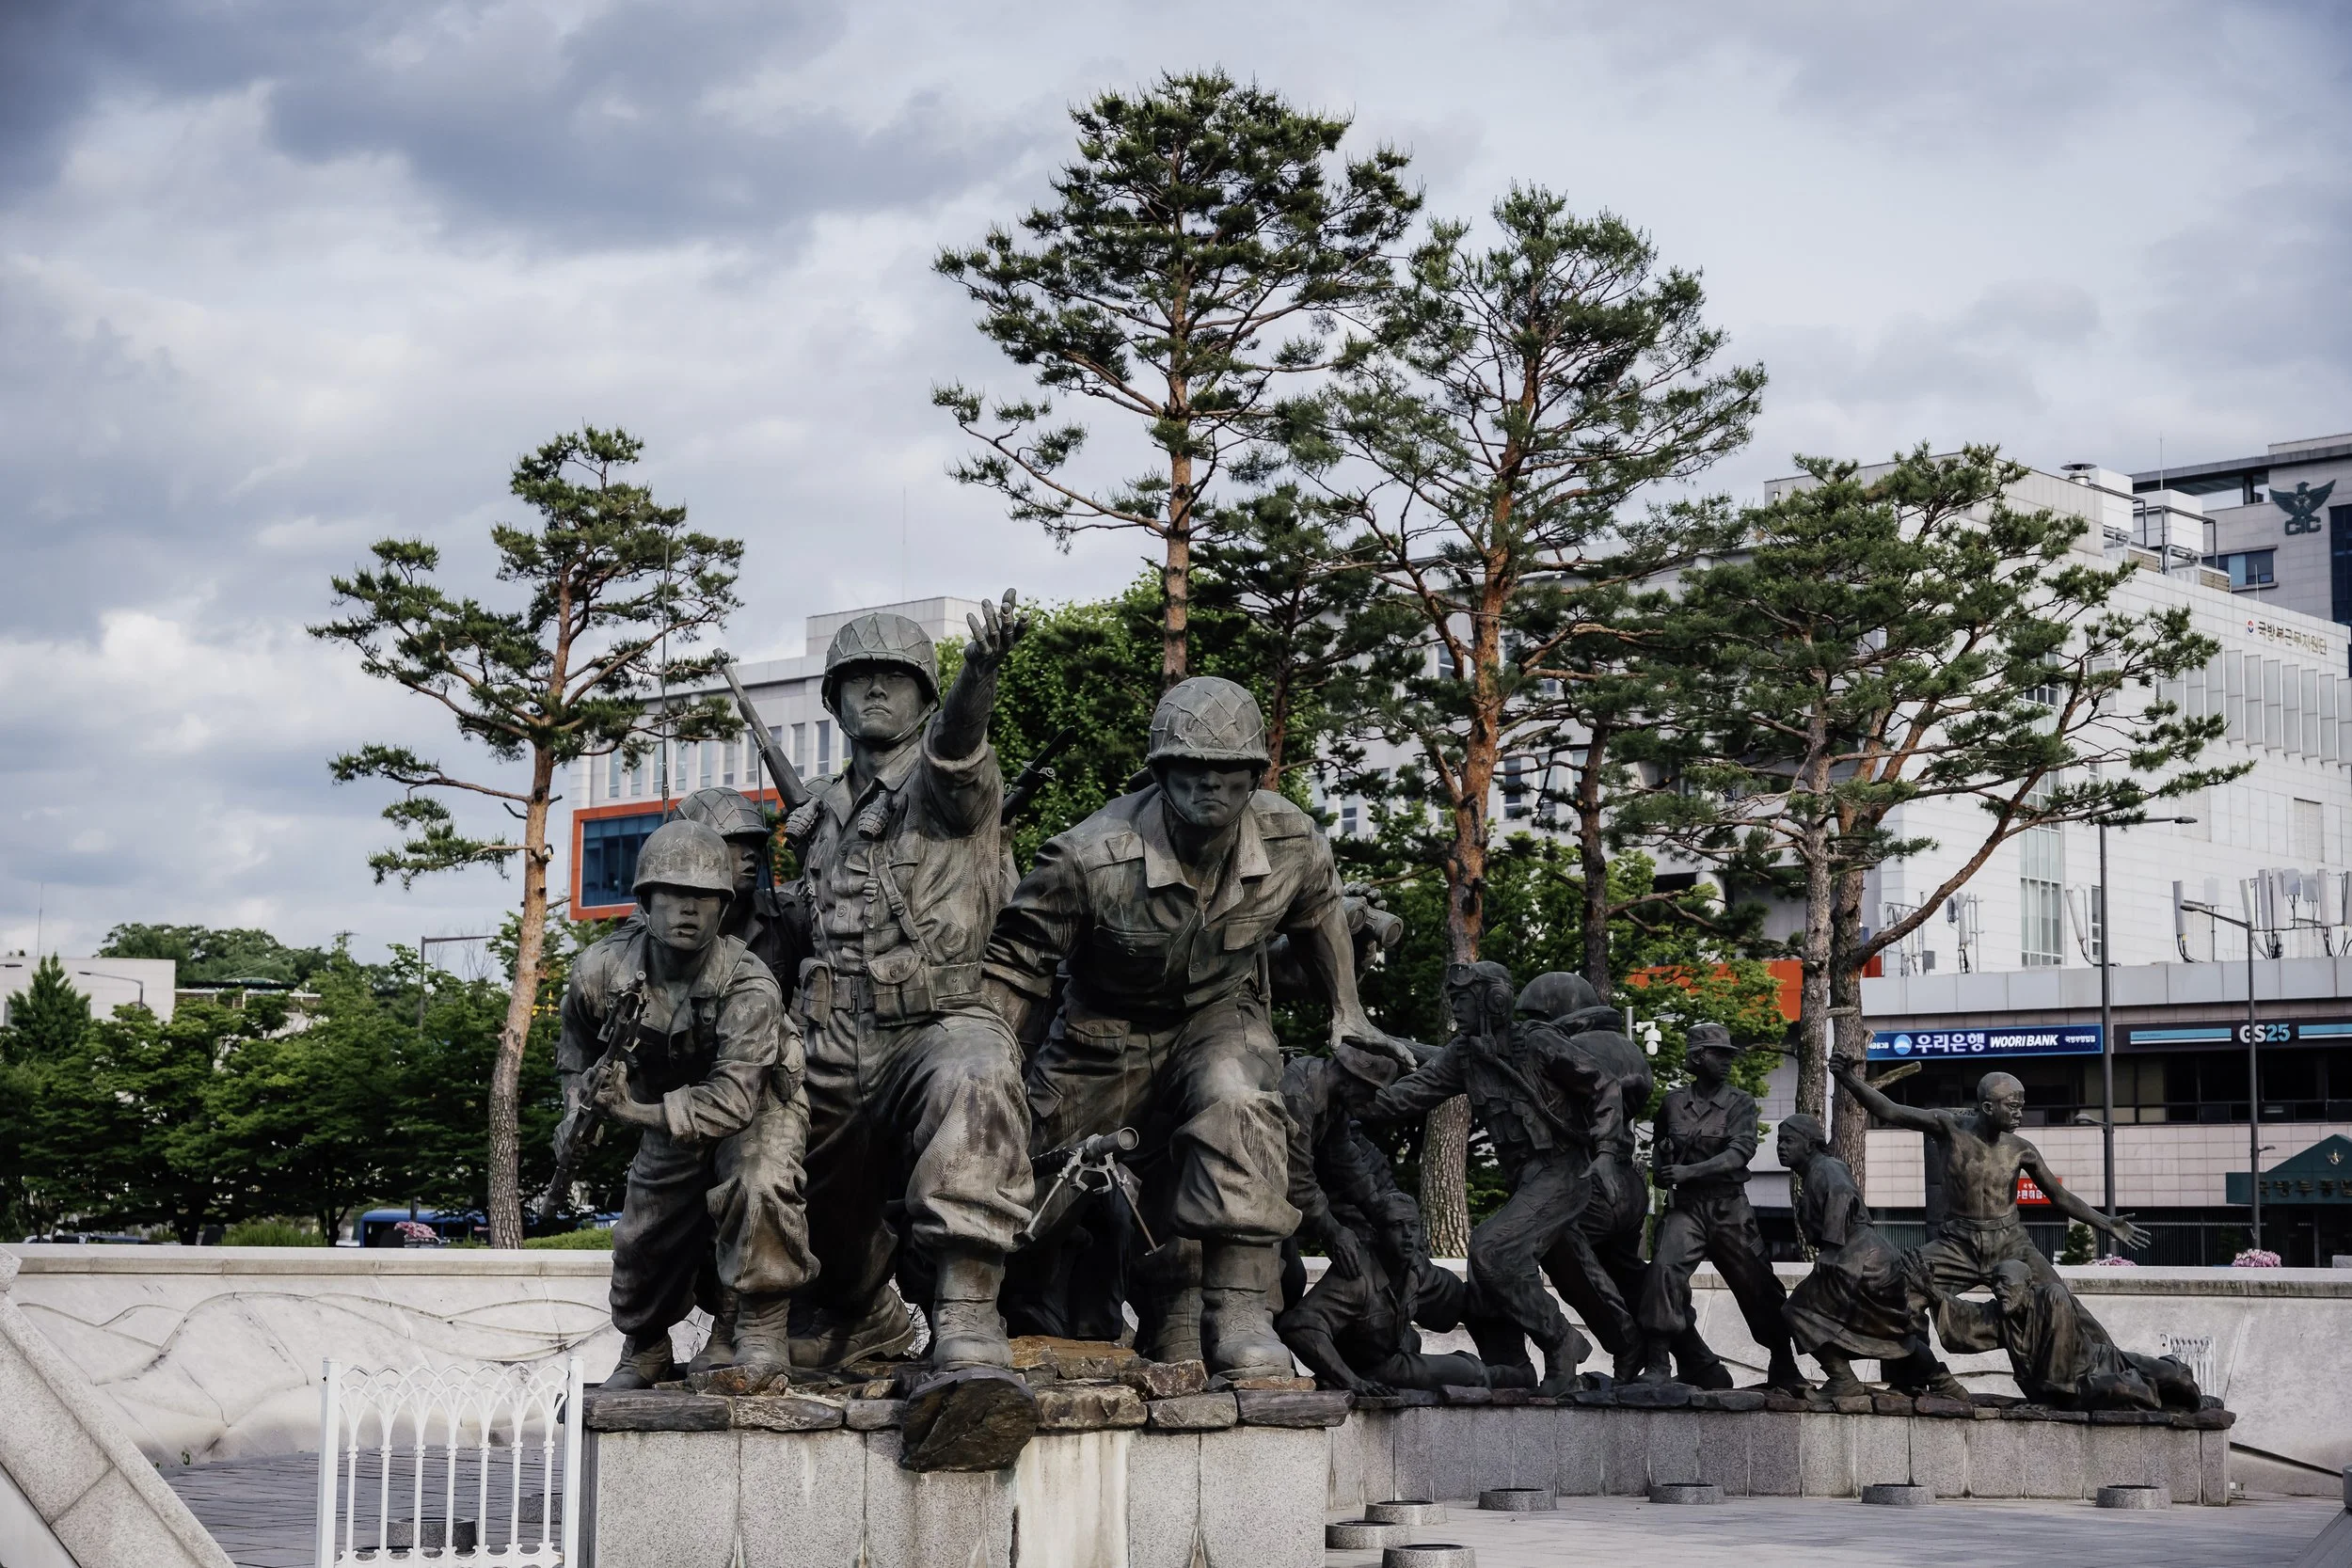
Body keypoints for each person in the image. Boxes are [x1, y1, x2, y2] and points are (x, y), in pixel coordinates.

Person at [985, 675, 1408, 1378]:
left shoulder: (1291, 840)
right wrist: (995, 1059)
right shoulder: (1088, 855)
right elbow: (1018, 963)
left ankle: (1239, 1311)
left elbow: (1319, 911)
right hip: (1101, 1031)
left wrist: (1348, 1011)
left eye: (1229, 771)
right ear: (1161, 773)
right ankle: (993, 1297)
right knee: (1017, 1181)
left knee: (1239, 1099)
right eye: (1192, 770)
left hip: (1218, 1015)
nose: (1211, 786)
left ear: (1254, 776)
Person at [787, 594, 1035, 1374]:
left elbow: (960, 748)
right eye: (857, 679)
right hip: (833, 1033)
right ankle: (860, 1311)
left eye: (895, 679)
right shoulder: (823, 813)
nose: (875, 691)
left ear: (926, 698)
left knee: (977, 1077)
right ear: (834, 700)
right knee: (776, 1150)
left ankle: (966, 1310)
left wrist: (978, 675)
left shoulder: (948, 784)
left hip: (939, 1020)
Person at [557, 819, 811, 1389]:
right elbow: (574, 1056)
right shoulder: (599, 970)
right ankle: (644, 1346)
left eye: (703, 898)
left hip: (757, 1102)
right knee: (643, 1231)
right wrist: (576, 1112)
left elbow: (732, 1103)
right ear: (647, 901)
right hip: (665, 1107)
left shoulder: (749, 983)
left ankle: (760, 1332)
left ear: (723, 907)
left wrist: (631, 1113)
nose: (687, 912)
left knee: (759, 1183)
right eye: (673, 896)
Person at [1364, 960, 1629, 1395]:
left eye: (1462, 1000)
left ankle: (1561, 1341)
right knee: (1573, 1278)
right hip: (1528, 1181)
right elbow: (1406, 1097)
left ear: (1495, 999)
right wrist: (1340, 1095)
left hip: (1566, 1170)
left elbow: (1605, 1086)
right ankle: (1512, 1362)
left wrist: (1605, 1151)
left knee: (1492, 1249)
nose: (1456, 1011)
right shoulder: (1464, 1054)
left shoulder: (1539, 1042)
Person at [1828, 1059, 2148, 1296]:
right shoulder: (1949, 1127)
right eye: (2012, 1106)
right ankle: (1915, 1375)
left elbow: (2059, 1197)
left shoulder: (2023, 1150)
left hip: (2011, 1243)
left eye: (2022, 1106)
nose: (2020, 1114)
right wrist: (1848, 1079)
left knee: (2058, 1299)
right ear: (1987, 1106)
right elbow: (1890, 1110)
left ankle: (2104, 1369)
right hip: (1957, 1245)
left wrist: (2106, 1222)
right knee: (1896, 1293)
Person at [1637, 1024, 1806, 1392]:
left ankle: (1783, 1361)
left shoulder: (1740, 1103)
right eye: (1720, 1055)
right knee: (1663, 1272)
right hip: (1687, 1209)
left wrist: (1689, 1170)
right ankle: (1658, 1362)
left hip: (1729, 1209)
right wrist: (1661, 1171)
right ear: (1698, 1058)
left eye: (1730, 1055)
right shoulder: (1673, 1103)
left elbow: (1738, 1153)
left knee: (1757, 1285)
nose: (1728, 1062)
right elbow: (1662, 1144)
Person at [1511, 972, 1653, 1384]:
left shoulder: (1577, 1050)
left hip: (1592, 1183)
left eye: (1532, 1018)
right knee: (1626, 1271)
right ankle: (1694, 1356)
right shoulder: (1621, 1048)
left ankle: (1626, 1341)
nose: (1524, 1028)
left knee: (1549, 1241)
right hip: (1625, 1183)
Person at [1774, 1114, 1962, 1401]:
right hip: (1865, 1257)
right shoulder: (1813, 1173)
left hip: (1859, 1257)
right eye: (1779, 1141)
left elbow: (1842, 1194)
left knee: (1796, 1311)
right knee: (1887, 1330)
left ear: (1810, 1144)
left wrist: (1831, 1248)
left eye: (1788, 1140)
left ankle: (1843, 1379)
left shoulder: (1826, 1167)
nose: (1780, 1147)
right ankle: (1941, 1380)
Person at [1277, 1190, 1491, 1396]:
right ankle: (1509, 1375)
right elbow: (1299, 1327)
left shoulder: (1416, 1265)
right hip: (1369, 1370)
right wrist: (1352, 1381)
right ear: (1375, 1234)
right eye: (1397, 1226)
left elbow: (1457, 1299)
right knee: (1472, 1371)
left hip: (1394, 1358)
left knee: (1429, 1346)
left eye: (1413, 1226)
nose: (1408, 1235)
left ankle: (1516, 1374)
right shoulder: (1357, 1276)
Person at [1934, 1259, 2201, 1411]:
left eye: (2004, 1282)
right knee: (2125, 1389)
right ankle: (2160, 1397)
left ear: (2027, 1285)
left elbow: (2060, 1352)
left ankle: (2188, 1388)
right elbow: (1967, 1320)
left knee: (2177, 1379)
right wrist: (1932, 1294)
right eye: (1993, 1284)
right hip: (2082, 1388)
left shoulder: (2052, 1296)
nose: (1997, 1289)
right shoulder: (2002, 1315)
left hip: (2100, 1363)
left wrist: (2050, 1400)